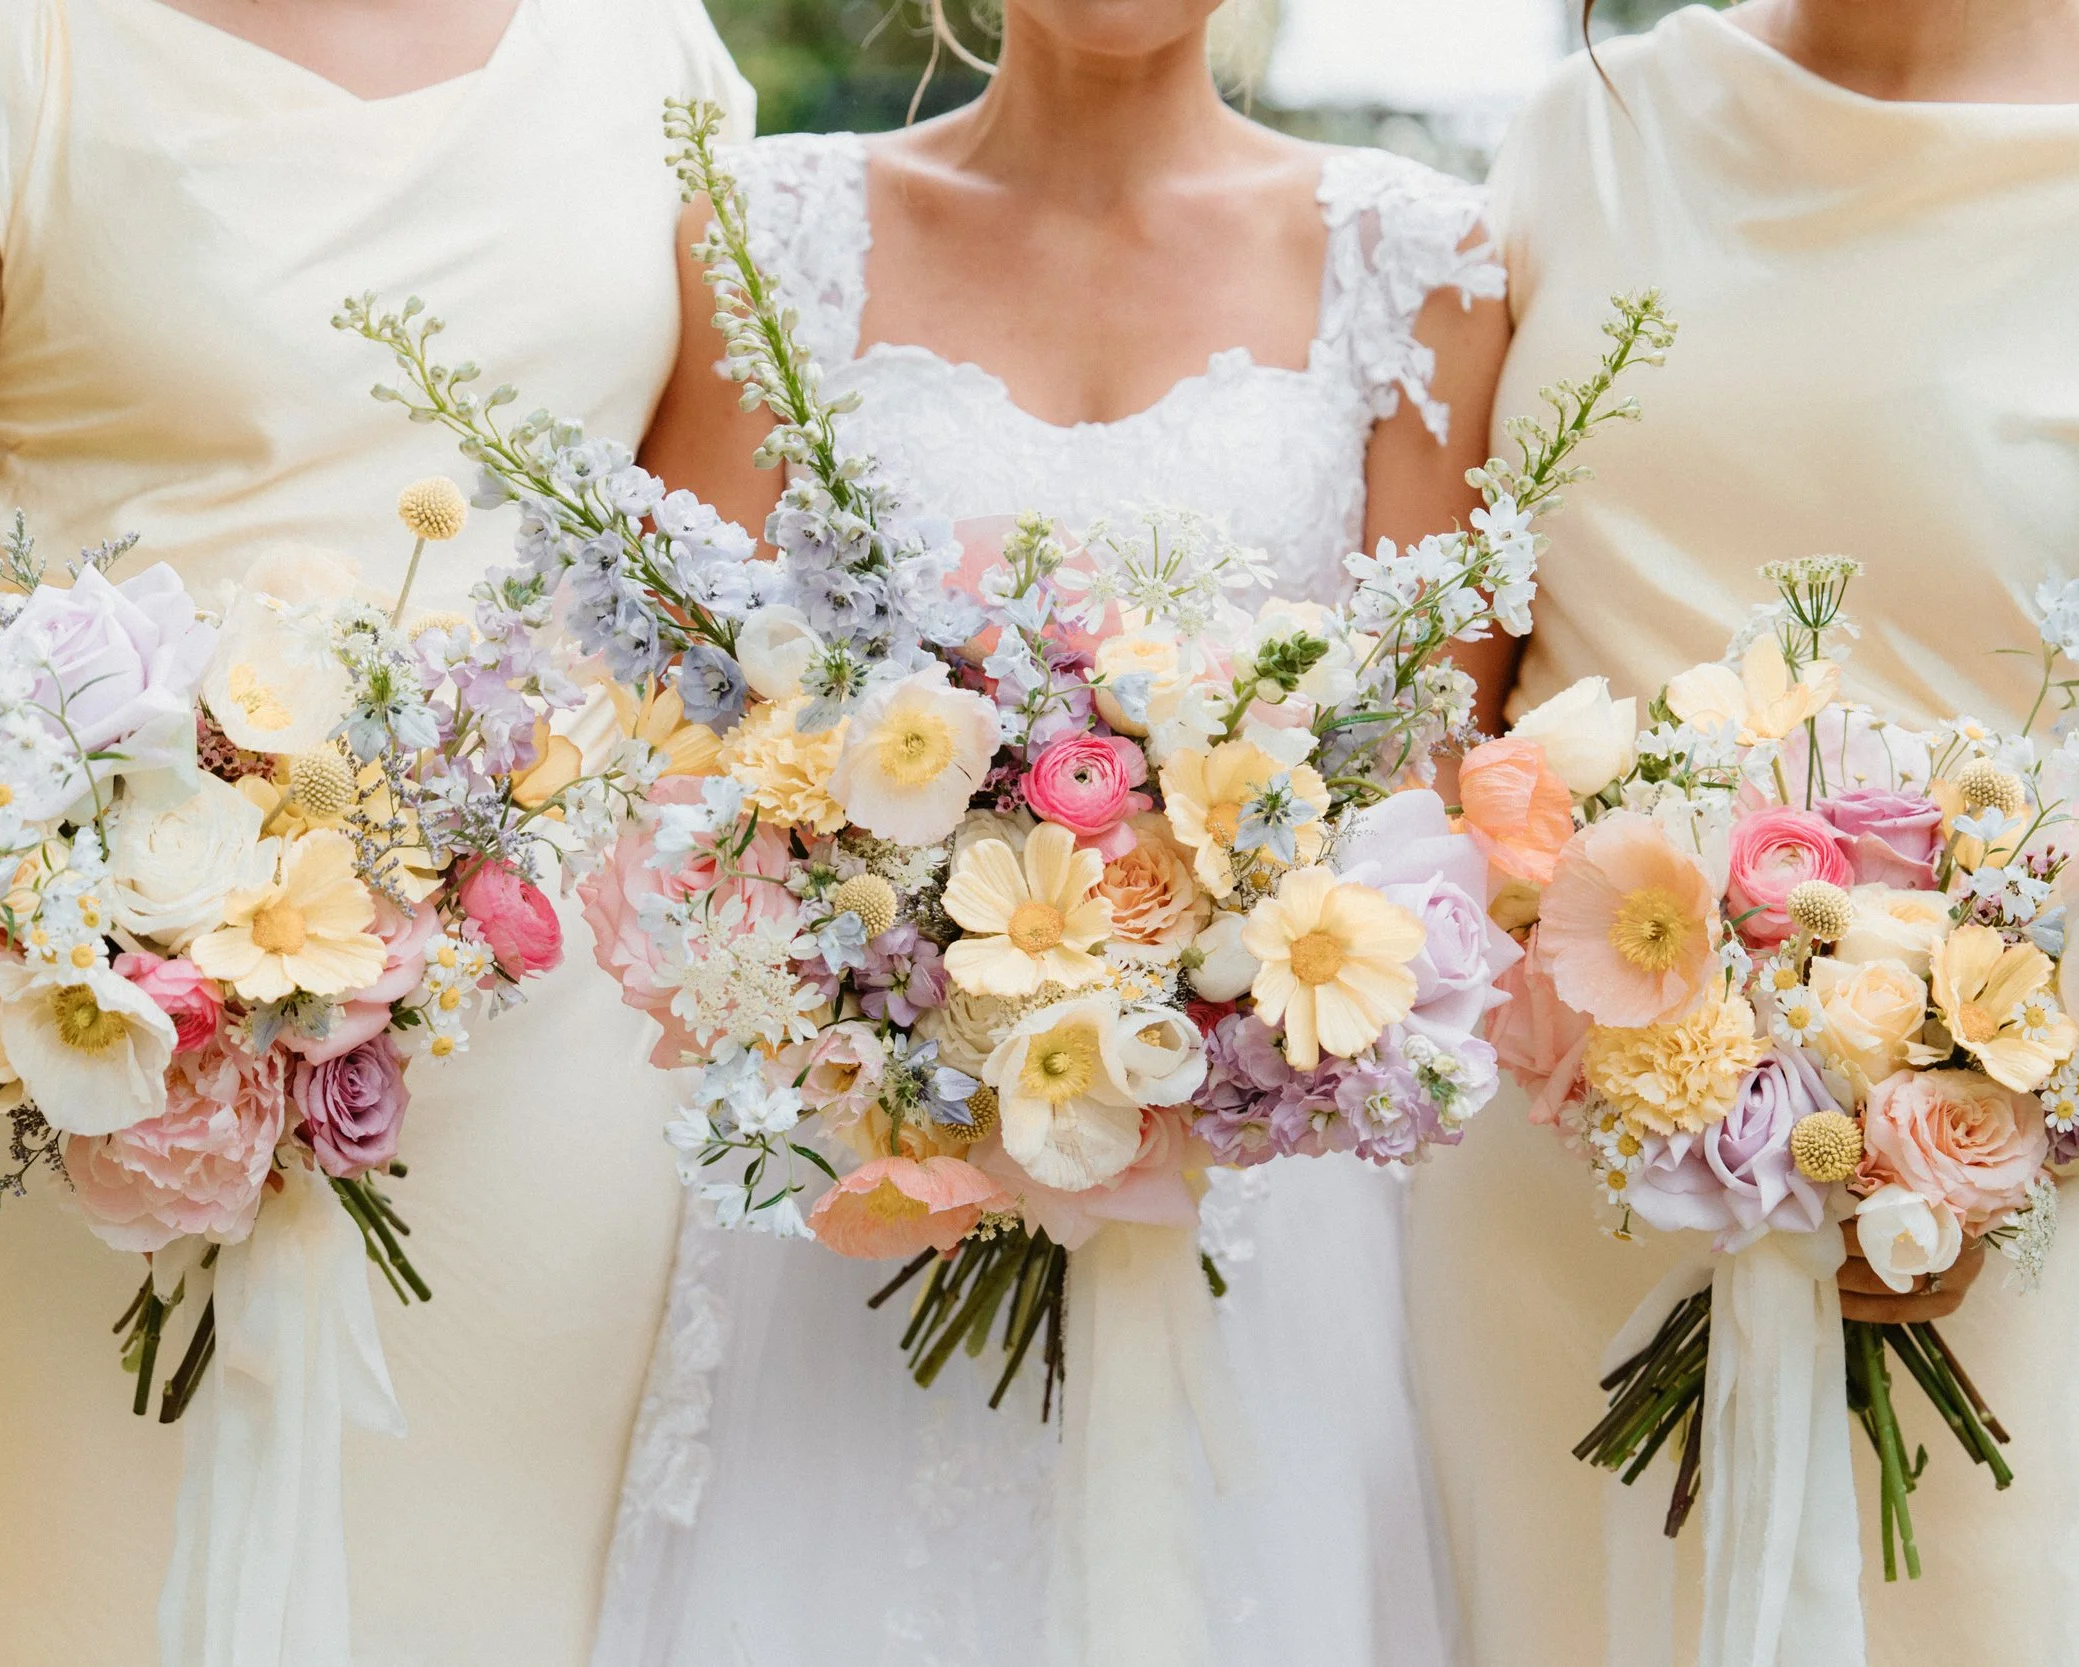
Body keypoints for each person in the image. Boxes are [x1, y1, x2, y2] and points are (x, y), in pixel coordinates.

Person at [0, 0, 747, 1660]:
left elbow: (706, 599)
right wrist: (67, 922)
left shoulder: (652, 51)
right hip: (84, 1084)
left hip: (561, 1113)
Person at [591, 0, 1509, 1659]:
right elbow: (679, 753)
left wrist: (1202, 1016)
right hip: (862, 1193)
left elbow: (1422, 806)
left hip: (1261, 1213)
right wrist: (903, 1001)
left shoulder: (1420, 260)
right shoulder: (769, 231)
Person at [1410, 2, 2079, 1661]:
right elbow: (1443, 727)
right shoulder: (1586, 133)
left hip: (2039, 1255)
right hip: (1562, 1222)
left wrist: (1985, 1119)